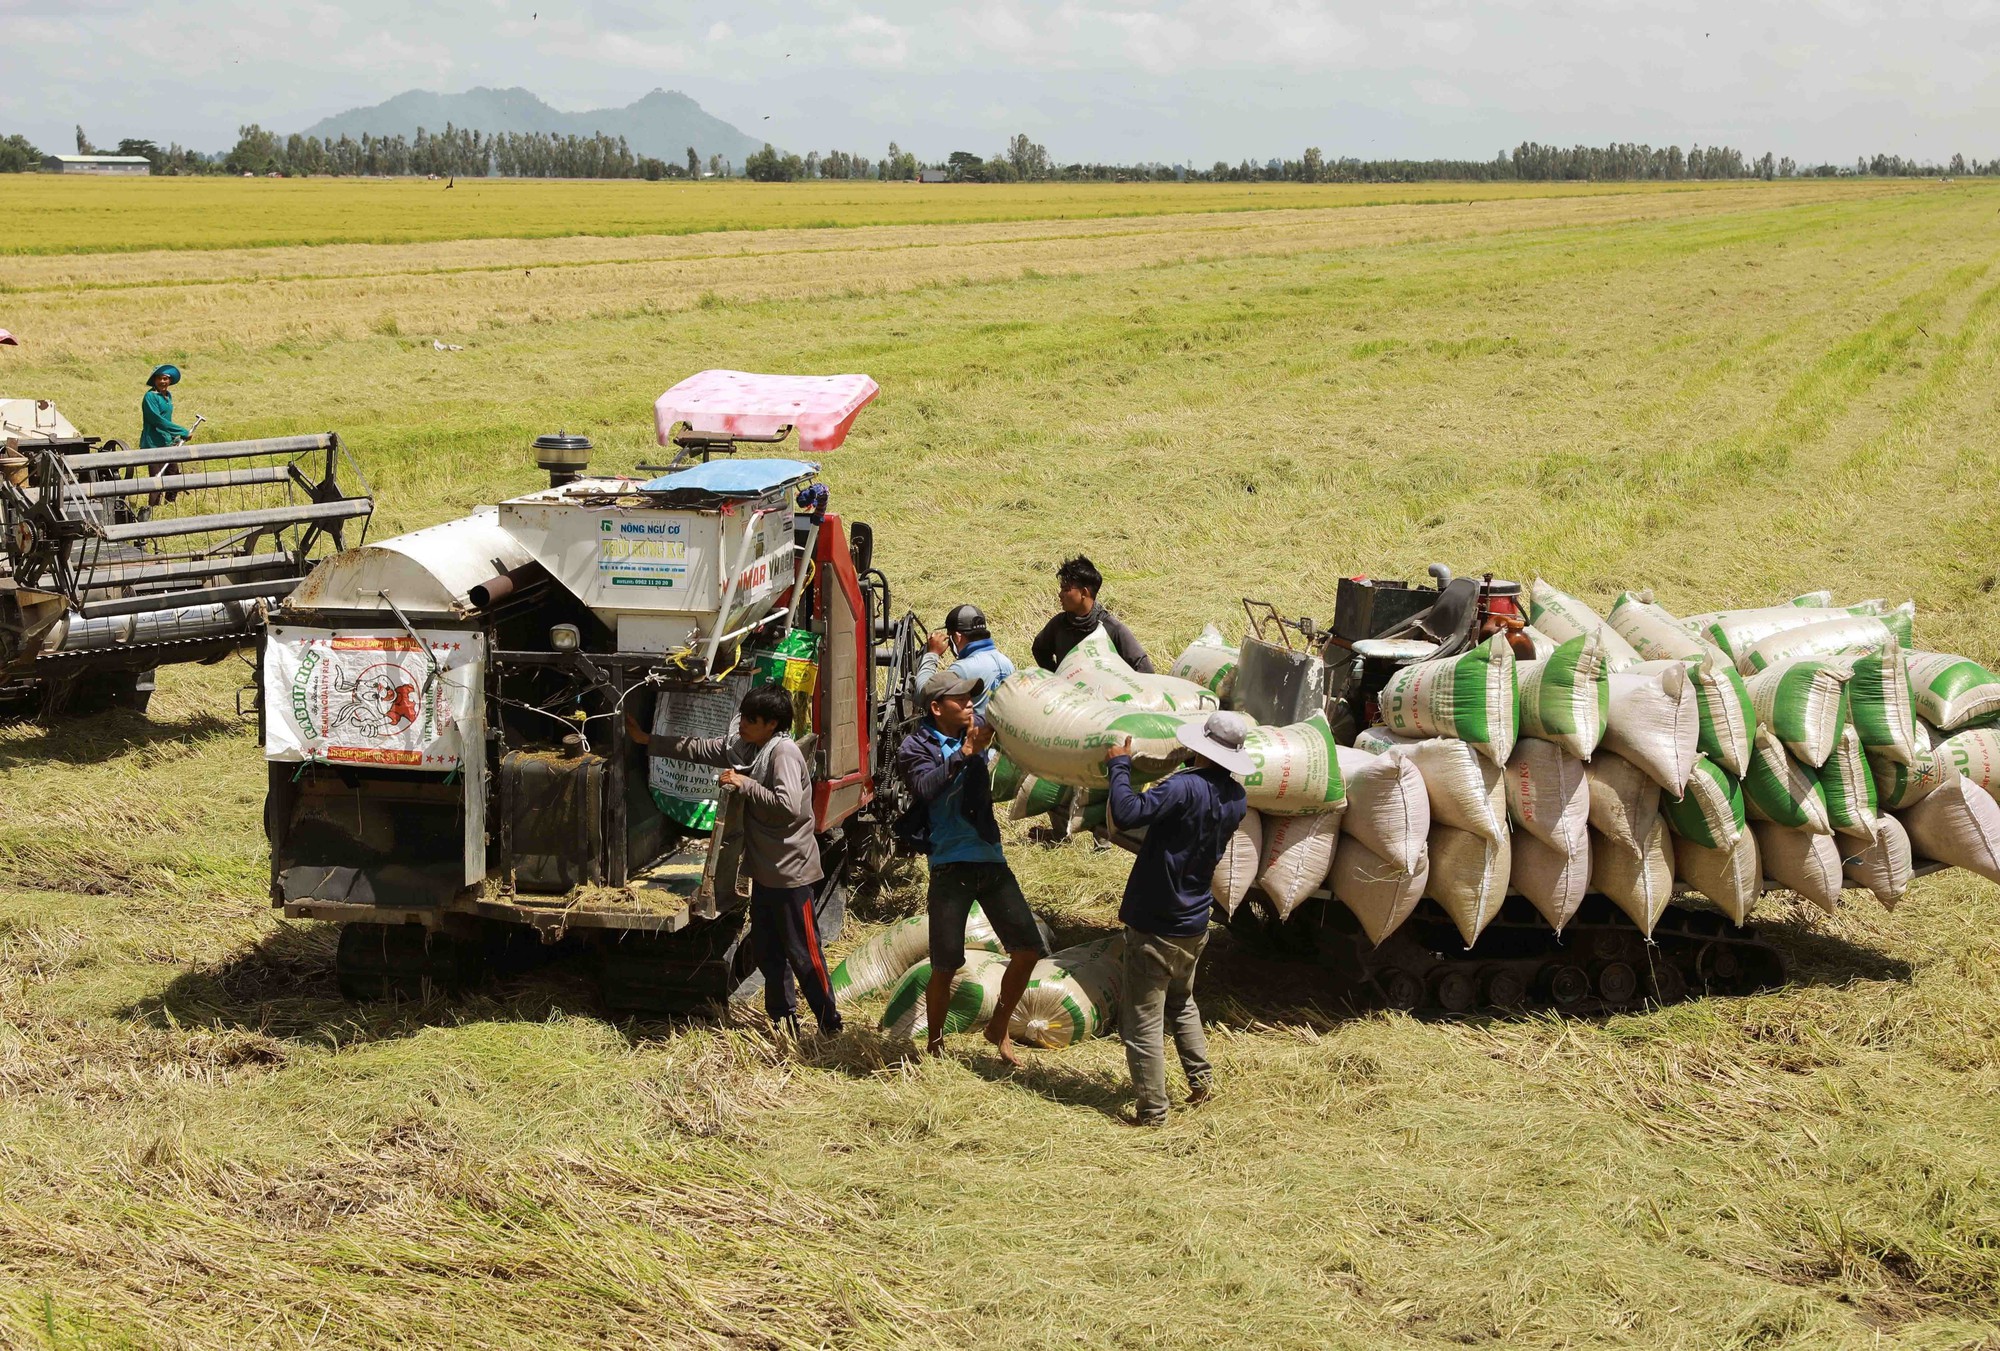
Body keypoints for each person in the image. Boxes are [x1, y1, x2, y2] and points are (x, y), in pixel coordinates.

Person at [645, 685, 843, 1038]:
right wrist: (648, 740)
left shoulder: (782, 753)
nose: (742, 725)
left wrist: (743, 783)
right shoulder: (749, 748)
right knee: (769, 952)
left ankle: (830, 1024)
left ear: (771, 724)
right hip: (766, 874)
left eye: (751, 720)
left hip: (790, 874)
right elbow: (703, 749)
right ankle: (784, 1021)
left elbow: (787, 806)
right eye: (744, 717)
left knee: (804, 954)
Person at [1103, 711, 1252, 1126]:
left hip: (1157, 921)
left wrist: (1119, 764)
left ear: (1200, 748)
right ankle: (1201, 1082)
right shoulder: (1237, 799)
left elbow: (1129, 812)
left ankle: (1153, 1111)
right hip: (1194, 921)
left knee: (1142, 1021)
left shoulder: (1184, 787)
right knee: (1182, 1001)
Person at [896, 670, 1048, 1064]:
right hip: (949, 865)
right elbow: (924, 789)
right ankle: (934, 1044)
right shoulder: (915, 747)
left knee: (1028, 950)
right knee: (945, 963)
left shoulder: (980, 733)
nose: (969, 704)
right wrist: (963, 755)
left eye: (971, 698)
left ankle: (998, 1027)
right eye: (960, 699)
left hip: (990, 858)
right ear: (935, 707)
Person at [1031, 555, 1154, 674]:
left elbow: (1144, 668)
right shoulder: (1058, 624)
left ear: (1084, 592)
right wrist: (1056, 676)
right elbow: (1039, 649)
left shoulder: (1111, 629)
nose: (1060, 594)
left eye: (1066, 589)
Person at [915, 604, 1015, 717]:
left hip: (972, 733)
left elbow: (922, 695)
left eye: (950, 635)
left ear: (957, 637)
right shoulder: (1006, 662)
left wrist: (932, 654)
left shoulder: (962, 668)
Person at [139, 365, 189, 450]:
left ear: (170, 381)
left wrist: (173, 436)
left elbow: (166, 419)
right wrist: (181, 431)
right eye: (159, 378)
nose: (162, 381)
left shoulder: (167, 396)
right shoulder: (150, 396)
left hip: (167, 441)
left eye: (165, 378)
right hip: (154, 444)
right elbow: (157, 420)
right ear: (154, 380)